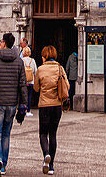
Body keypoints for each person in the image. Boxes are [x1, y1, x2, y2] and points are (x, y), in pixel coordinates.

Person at [0, 31, 27, 177]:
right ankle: (3, 166)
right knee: (6, 133)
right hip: (11, 103)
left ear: (4, 43)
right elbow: (23, 84)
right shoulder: (19, 61)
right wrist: (24, 103)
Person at [33, 45, 69, 176]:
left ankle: (46, 154)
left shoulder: (41, 69)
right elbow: (67, 86)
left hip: (44, 106)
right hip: (56, 106)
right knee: (53, 134)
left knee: (43, 133)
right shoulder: (60, 68)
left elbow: (36, 88)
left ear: (45, 56)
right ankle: (52, 165)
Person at [21, 42, 37, 111]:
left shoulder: (22, 60)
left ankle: (22, 109)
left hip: (23, 81)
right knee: (29, 96)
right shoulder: (32, 61)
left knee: (23, 96)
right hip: (31, 81)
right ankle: (28, 109)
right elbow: (35, 71)